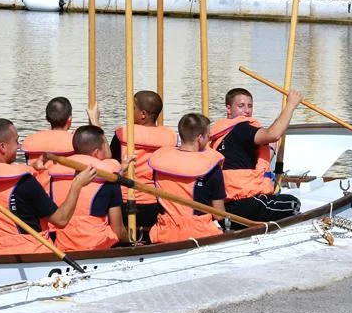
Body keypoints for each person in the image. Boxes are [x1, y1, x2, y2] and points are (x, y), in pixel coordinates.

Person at [0, 118, 97, 255]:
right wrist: (77, 184)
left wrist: (31, 167)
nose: (19, 146)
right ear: (2, 147)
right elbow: (61, 220)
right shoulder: (25, 183)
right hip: (35, 254)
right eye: (16, 141)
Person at [211, 88, 303, 227]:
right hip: (245, 204)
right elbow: (274, 134)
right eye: (241, 106)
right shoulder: (242, 129)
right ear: (228, 109)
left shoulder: (221, 135)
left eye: (250, 106)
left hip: (226, 205)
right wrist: (291, 105)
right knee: (293, 204)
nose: (246, 111)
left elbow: (268, 143)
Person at [103, 90, 177, 236]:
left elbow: (110, 164)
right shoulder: (171, 138)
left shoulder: (123, 135)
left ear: (143, 114)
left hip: (125, 202)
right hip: (157, 203)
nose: (129, 111)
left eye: (133, 108)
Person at [47, 125, 128, 251]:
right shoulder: (109, 178)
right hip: (97, 246)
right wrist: (130, 241)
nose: (108, 146)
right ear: (97, 152)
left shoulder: (54, 176)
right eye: (106, 143)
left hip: (63, 245)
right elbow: (117, 230)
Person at [148, 113, 226, 244]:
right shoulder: (211, 167)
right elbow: (218, 214)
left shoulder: (160, 164)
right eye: (208, 136)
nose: (209, 140)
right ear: (200, 138)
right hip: (200, 234)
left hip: (165, 233)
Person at [24, 97, 76, 187]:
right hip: (63, 194)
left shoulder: (32, 140)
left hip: (36, 194)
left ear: (47, 118)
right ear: (70, 119)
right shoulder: (77, 141)